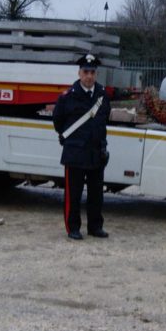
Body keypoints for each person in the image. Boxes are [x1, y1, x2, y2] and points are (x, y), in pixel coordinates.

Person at [53, 53, 111, 240]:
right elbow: (58, 122)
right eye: (86, 72)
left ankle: (95, 227)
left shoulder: (102, 95)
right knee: (74, 194)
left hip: (96, 152)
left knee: (96, 194)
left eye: (92, 72)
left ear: (96, 74)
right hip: (75, 152)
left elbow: (103, 121)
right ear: (79, 73)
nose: (89, 76)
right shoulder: (68, 97)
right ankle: (73, 228)